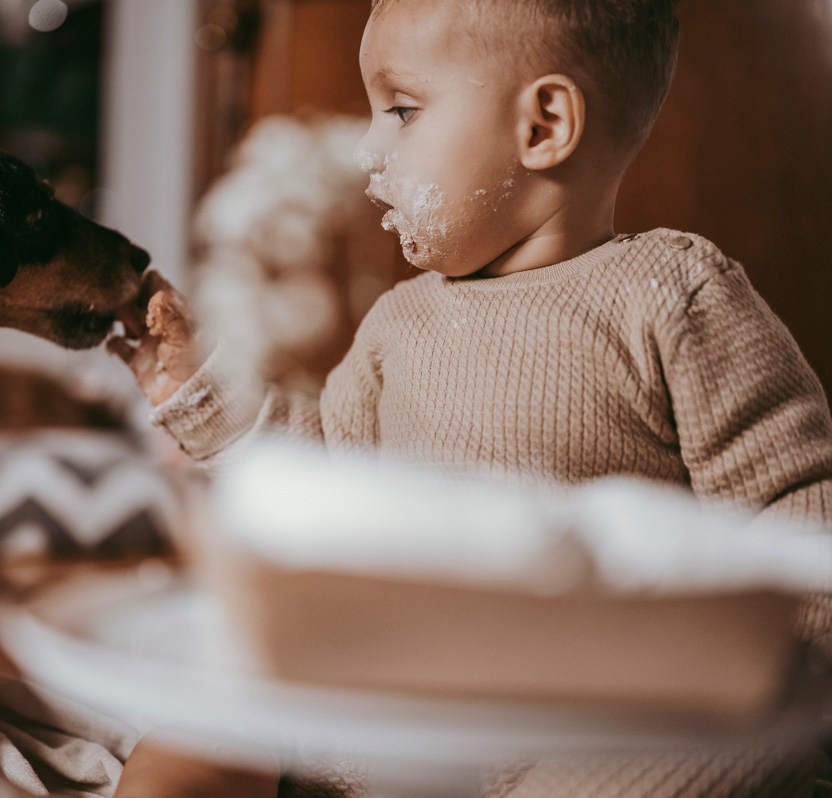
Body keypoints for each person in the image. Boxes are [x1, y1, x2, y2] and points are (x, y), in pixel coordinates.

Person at [108, 0, 832, 795]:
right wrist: (204, 394)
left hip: (589, 729)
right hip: (371, 718)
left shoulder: (671, 296)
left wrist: (770, 696)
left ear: (544, 124)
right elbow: (325, 480)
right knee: (195, 709)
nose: (368, 147)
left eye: (402, 111)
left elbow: (801, 532)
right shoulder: (400, 319)